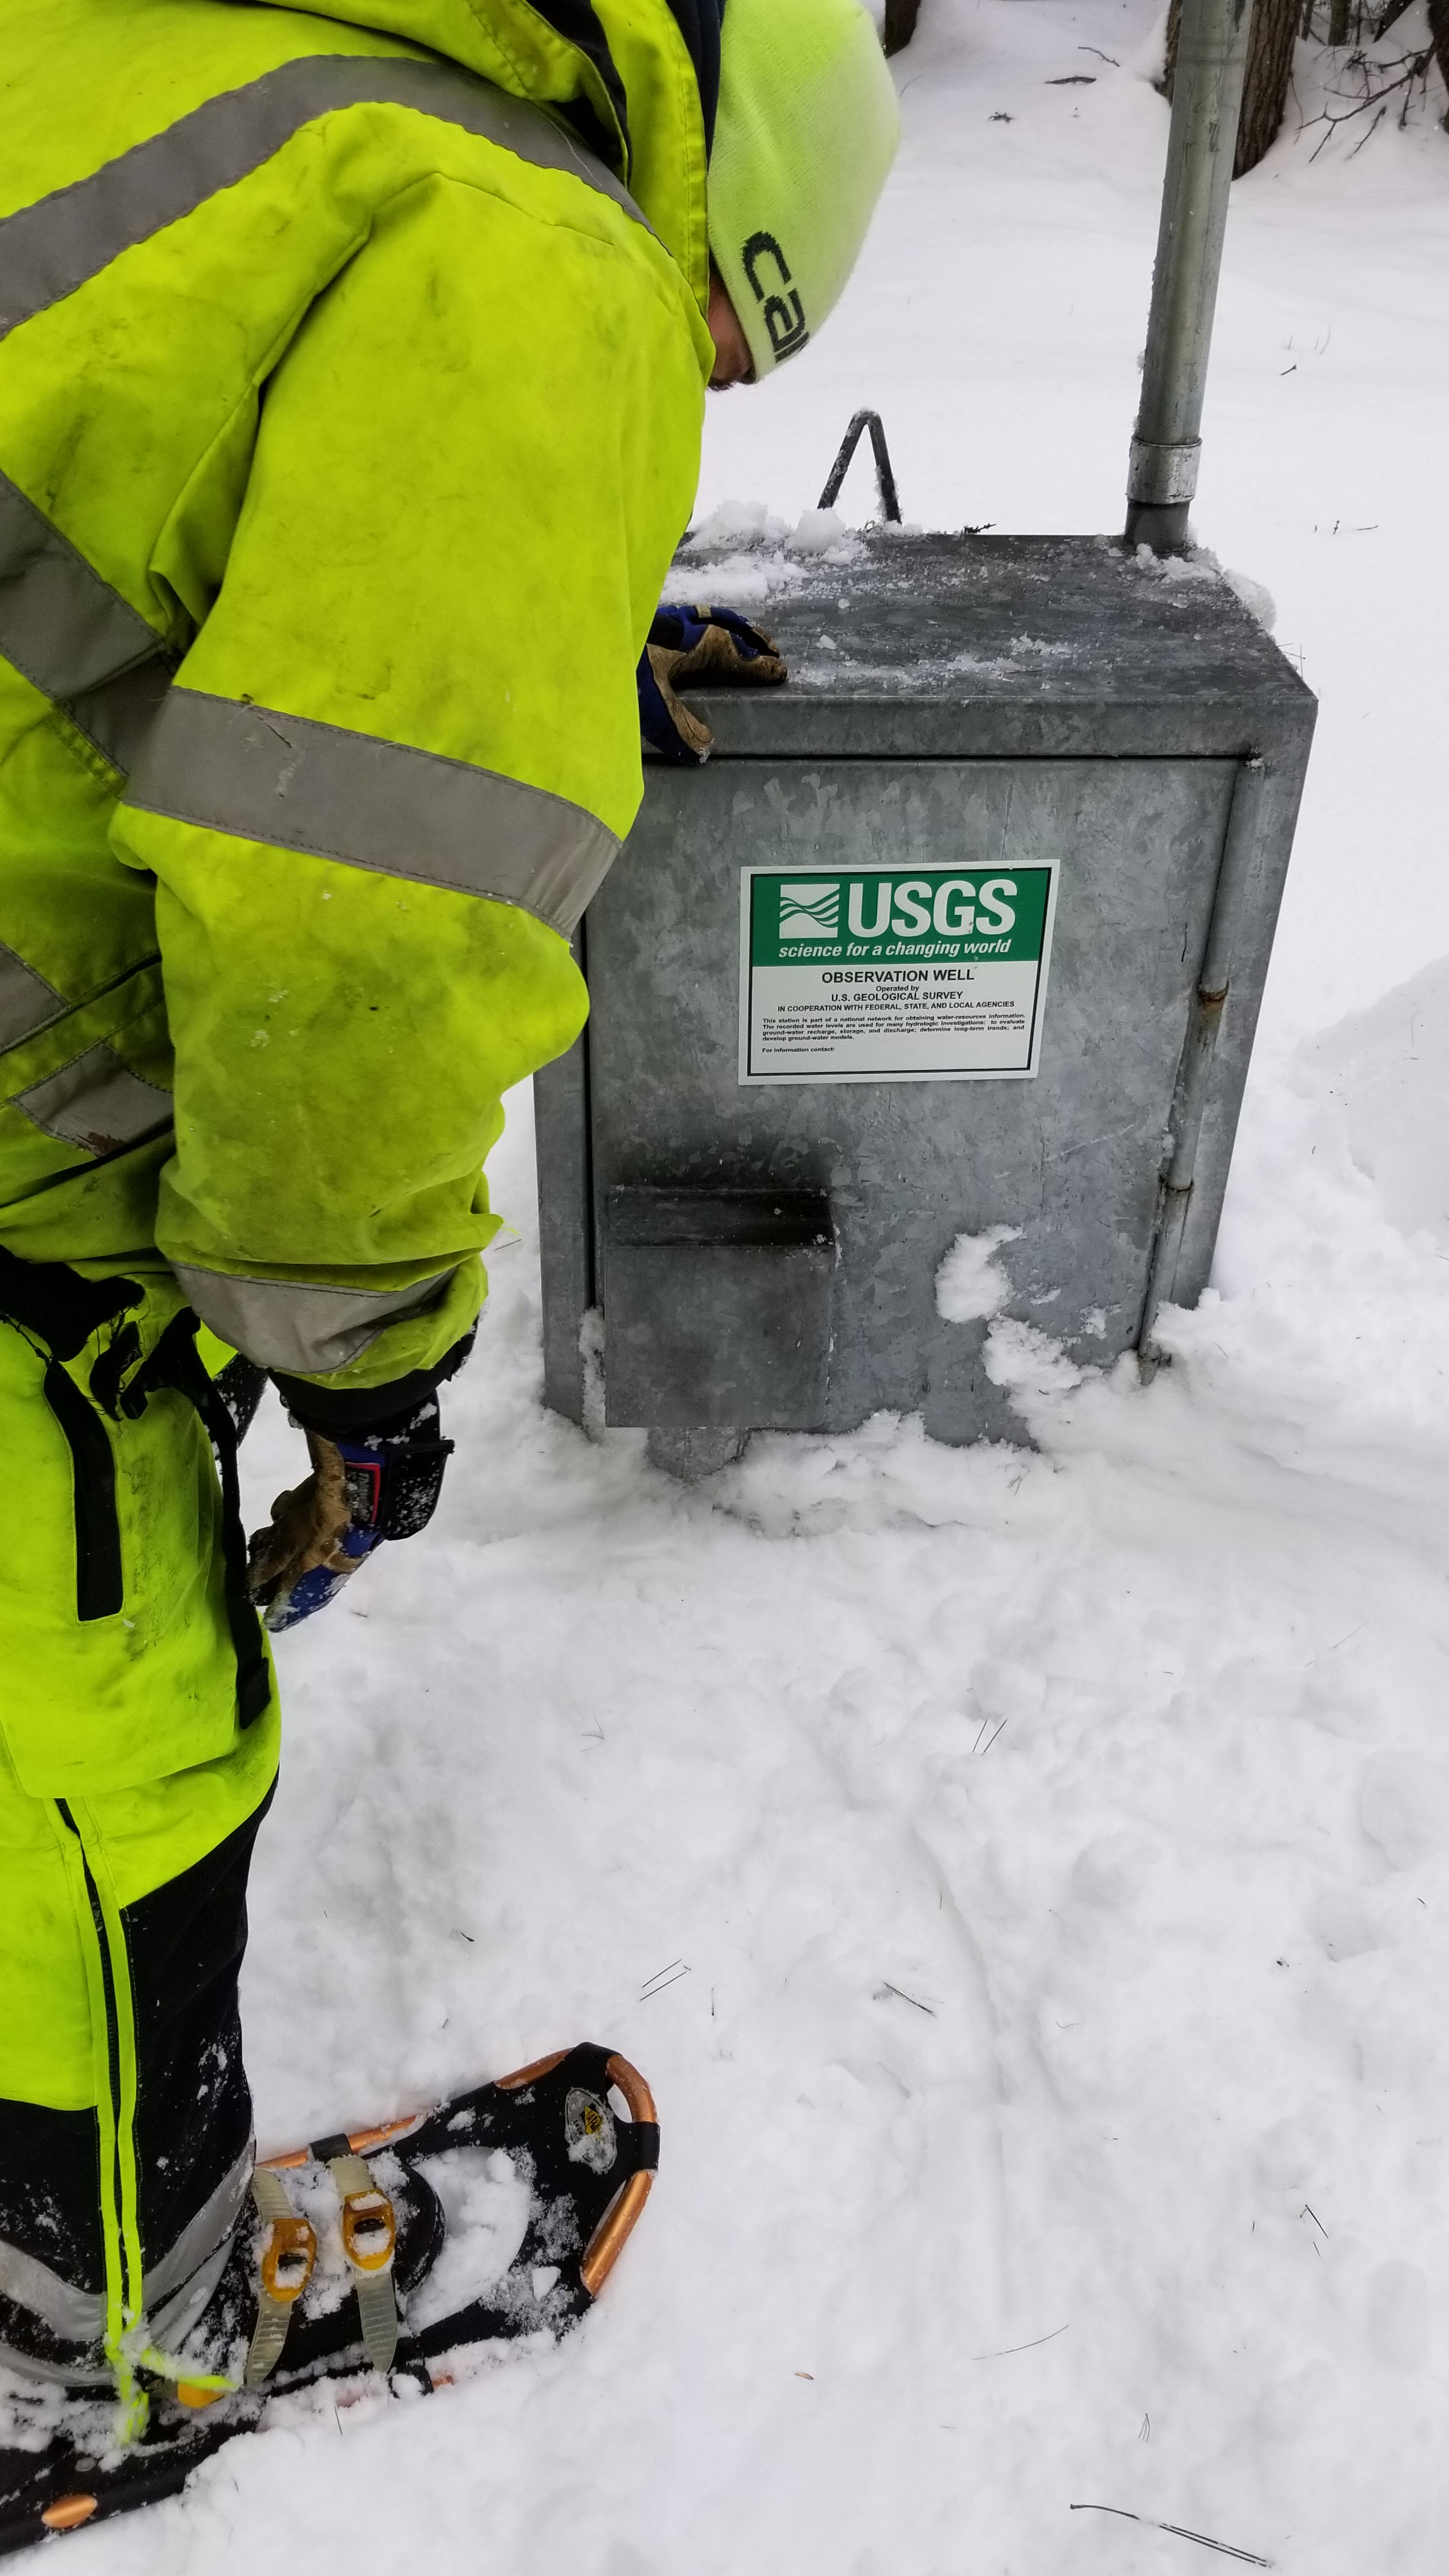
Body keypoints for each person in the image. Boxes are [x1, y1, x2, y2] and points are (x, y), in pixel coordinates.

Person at [0, 0, 898, 2435]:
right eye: (713, 343)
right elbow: (356, 932)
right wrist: (366, 1363)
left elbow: (101, 492)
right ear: (707, 222)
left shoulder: (161, 69)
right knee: (93, 1764)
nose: (678, 383)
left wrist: (515, 642)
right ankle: (76, 2356)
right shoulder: (526, 236)